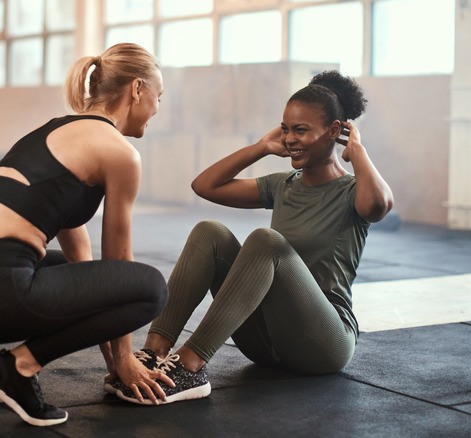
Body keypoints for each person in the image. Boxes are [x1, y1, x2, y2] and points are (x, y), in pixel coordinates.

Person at [0, 43, 174, 427]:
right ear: (137, 90)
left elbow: (86, 268)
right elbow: (119, 261)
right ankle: (19, 368)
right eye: (158, 95)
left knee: (74, 270)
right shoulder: (118, 152)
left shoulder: (55, 131)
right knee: (150, 287)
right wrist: (125, 361)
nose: (157, 107)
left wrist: (112, 365)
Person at [114, 70, 394, 404]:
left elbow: (378, 205)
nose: (290, 139)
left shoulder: (351, 191)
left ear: (335, 131)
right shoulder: (284, 185)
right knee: (210, 232)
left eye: (301, 130)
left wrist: (357, 150)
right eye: (286, 129)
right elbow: (205, 186)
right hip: (265, 342)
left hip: (323, 345)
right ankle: (152, 355)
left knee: (267, 241)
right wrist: (261, 147)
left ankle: (190, 366)